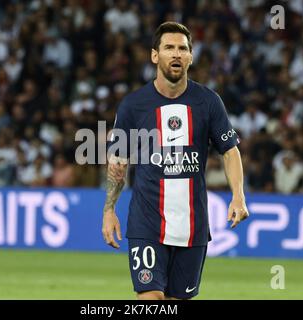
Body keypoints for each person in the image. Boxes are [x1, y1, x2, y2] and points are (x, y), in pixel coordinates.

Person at [102, 22, 249, 300]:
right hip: (147, 222)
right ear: (155, 55)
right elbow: (117, 162)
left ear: (191, 57)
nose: (177, 54)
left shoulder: (208, 102)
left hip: (192, 226)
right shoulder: (134, 105)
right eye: (169, 47)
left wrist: (238, 196)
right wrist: (109, 210)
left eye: (183, 48)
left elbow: (229, 151)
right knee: (151, 299)